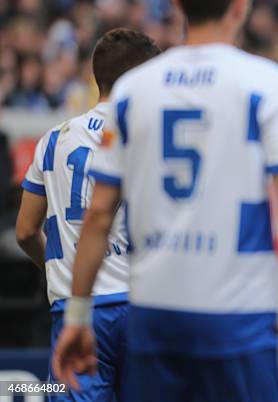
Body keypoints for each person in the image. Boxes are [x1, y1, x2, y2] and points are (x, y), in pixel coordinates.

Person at [51, 1, 278, 401]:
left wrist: (78, 315)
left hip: (155, 314)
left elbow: (100, 213)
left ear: (178, 5)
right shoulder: (266, 82)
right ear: (240, 7)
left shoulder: (133, 90)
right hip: (238, 315)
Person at [15, 28, 161, 401]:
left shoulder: (53, 139)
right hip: (141, 306)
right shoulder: (150, 136)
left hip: (77, 310)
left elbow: (25, 230)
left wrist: (61, 265)